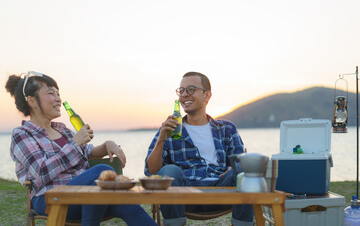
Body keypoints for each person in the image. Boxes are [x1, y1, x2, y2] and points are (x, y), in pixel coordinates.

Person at [5, 71, 157, 226]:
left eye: (58, 93)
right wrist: (75, 144)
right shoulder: (22, 134)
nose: (58, 99)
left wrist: (106, 146)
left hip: (85, 193)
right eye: (51, 93)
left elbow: (86, 151)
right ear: (31, 101)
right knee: (101, 171)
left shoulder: (63, 130)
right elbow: (42, 172)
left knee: (128, 203)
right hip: (49, 198)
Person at [144, 71, 254, 226]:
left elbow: (239, 163)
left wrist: (231, 171)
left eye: (191, 89)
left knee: (245, 169)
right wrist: (161, 139)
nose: (184, 95)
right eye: (181, 91)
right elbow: (152, 172)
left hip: (221, 191)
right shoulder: (170, 129)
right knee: (170, 171)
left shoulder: (226, 128)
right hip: (184, 194)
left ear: (207, 95)